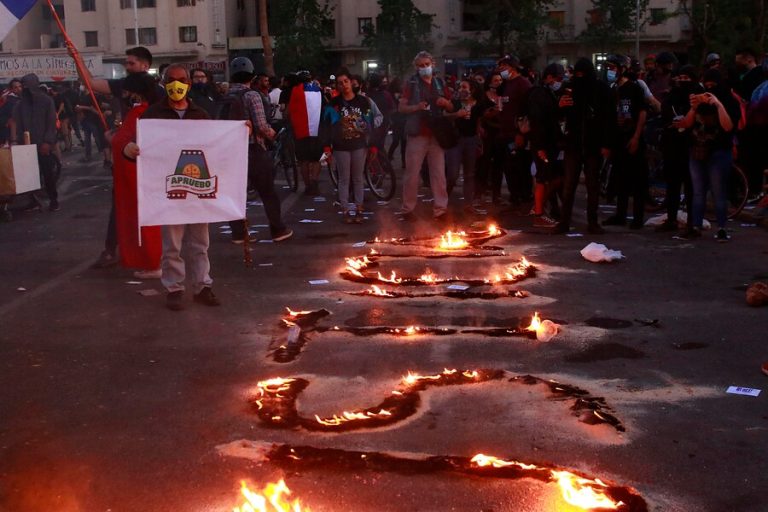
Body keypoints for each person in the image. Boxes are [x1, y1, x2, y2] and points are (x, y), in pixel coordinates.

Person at [66, 45, 156, 269]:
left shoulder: (157, 93)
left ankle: (151, 255)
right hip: (126, 156)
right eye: (127, 62)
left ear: (145, 66)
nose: (127, 66)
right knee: (120, 204)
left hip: (148, 158)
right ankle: (114, 250)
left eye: (132, 63)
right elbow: (90, 83)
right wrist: (77, 59)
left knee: (147, 207)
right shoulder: (123, 85)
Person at [141, 64, 220, 310]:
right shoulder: (152, 115)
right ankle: (174, 288)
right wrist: (129, 149)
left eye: (182, 80)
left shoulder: (201, 114)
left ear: (189, 83)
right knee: (172, 245)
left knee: (200, 242)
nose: (177, 85)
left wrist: (240, 132)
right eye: (171, 80)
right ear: (164, 83)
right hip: (169, 189)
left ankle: (202, 286)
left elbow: (217, 144)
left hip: (197, 188)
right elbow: (138, 144)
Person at [225, 57, 293, 243]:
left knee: (235, 193)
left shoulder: (224, 96)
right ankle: (278, 230)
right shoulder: (252, 96)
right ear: (252, 76)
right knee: (268, 192)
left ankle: (239, 233)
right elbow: (261, 125)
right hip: (252, 149)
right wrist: (273, 135)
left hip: (228, 151)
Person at [676, 69, 740, 241]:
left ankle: (721, 228)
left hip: (719, 152)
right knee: (698, 192)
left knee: (719, 192)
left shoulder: (729, 101)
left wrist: (718, 104)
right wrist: (693, 108)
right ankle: (695, 226)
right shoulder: (698, 99)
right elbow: (686, 124)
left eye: (713, 85)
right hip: (697, 151)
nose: (710, 89)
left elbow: (728, 127)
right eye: (707, 85)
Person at [554, 57, 616, 234]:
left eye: (583, 74)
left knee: (592, 186)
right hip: (573, 144)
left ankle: (592, 221)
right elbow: (558, 115)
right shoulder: (569, 88)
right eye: (578, 74)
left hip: (593, 144)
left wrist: (606, 144)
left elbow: (609, 118)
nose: (580, 77)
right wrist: (560, 106)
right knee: (569, 185)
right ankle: (564, 221)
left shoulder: (601, 90)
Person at [111, 72, 162, 278]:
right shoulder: (153, 111)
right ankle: (152, 261)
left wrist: (114, 139)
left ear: (136, 92)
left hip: (136, 175)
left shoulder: (139, 113)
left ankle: (151, 262)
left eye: (127, 91)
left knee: (143, 220)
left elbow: (122, 141)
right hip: (146, 174)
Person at [398, 51, 455, 221]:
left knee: (438, 173)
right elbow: (401, 108)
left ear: (432, 64)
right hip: (418, 133)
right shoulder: (411, 84)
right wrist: (417, 107)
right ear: (416, 67)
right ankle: (408, 209)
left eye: (426, 65)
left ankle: (441, 209)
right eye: (420, 66)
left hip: (437, 134)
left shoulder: (440, 83)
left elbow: (451, 107)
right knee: (412, 174)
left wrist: (446, 103)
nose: (424, 68)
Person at [323, 70, 382, 223]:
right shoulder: (333, 104)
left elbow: (370, 125)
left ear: (351, 82)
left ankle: (359, 208)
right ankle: (345, 209)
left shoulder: (363, 102)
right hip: (340, 146)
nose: (344, 85)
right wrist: (326, 147)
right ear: (337, 86)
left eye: (346, 81)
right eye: (340, 83)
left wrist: (373, 145)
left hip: (359, 145)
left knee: (358, 178)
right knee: (344, 178)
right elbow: (326, 126)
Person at [603, 54, 649, 230]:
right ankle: (620, 215)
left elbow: (642, 113)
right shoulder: (613, 90)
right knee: (620, 179)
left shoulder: (635, 88)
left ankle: (638, 217)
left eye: (613, 68)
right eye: (608, 68)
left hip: (633, 139)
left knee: (637, 180)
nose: (610, 71)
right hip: (619, 140)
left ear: (622, 69)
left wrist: (636, 137)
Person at [656, 65, 703, 233]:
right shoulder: (672, 96)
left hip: (691, 146)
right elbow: (665, 114)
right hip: (673, 146)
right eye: (680, 78)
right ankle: (672, 219)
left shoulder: (699, 95)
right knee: (673, 185)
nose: (683, 81)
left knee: (691, 187)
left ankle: (692, 222)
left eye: (686, 78)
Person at [10, 73, 59, 212]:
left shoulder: (47, 101)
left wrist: (47, 142)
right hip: (26, 146)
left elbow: (51, 123)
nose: (24, 89)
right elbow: (16, 123)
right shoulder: (20, 104)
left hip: (43, 144)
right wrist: (16, 141)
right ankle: (33, 200)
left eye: (26, 86)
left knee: (48, 174)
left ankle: (53, 200)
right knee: (29, 176)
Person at [445, 78, 491, 215]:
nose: (461, 90)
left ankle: (468, 204)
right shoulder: (455, 102)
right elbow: (444, 116)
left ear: (473, 90)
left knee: (469, 173)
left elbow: (480, 119)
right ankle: (443, 200)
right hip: (455, 140)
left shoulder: (478, 104)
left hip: (471, 139)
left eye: (464, 87)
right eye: (460, 87)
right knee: (453, 174)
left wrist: (479, 135)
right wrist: (456, 114)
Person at [527, 63, 565, 229]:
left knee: (552, 177)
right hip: (542, 143)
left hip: (551, 143)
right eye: (557, 78)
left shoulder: (550, 93)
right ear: (548, 77)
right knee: (542, 178)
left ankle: (539, 208)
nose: (559, 82)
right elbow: (538, 121)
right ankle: (538, 214)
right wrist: (540, 147)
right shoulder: (539, 93)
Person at [495, 55, 532, 207]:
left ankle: (524, 199)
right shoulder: (506, 84)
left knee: (519, 167)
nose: (501, 69)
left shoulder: (523, 84)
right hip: (505, 133)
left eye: (504, 66)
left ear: (512, 67)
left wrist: (521, 134)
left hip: (516, 134)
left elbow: (528, 110)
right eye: (500, 67)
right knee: (509, 168)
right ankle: (515, 198)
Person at [286, 70, 325, 195]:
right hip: (317, 130)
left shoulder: (296, 90)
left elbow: (290, 110)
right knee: (317, 159)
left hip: (301, 131)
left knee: (304, 161)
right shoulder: (318, 89)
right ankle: (314, 181)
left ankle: (308, 186)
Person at [0, 79, 22, 145]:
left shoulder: (23, 99)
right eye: (16, 87)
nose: (19, 89)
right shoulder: (9, 101)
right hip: (11, 136)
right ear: (12, 89)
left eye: (20, 86)